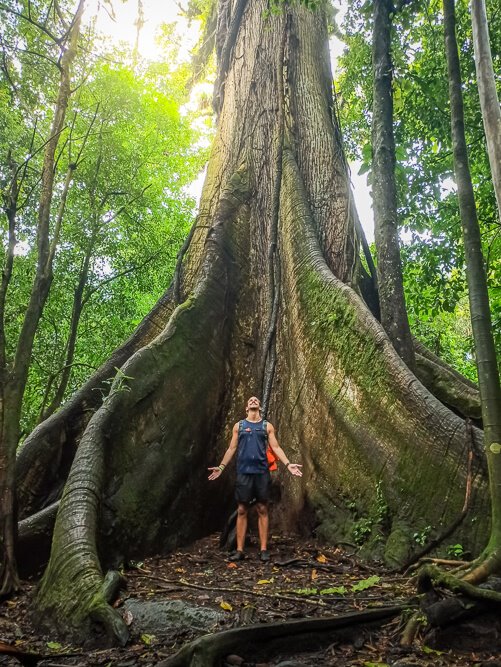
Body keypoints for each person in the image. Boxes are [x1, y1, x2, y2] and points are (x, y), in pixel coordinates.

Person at [208, 396, 302, 562]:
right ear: (246, 408)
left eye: (255, 400)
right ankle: (239, 550)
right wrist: (221, 467)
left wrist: (288, 465)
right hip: (244, 473)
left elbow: (276, 447)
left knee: (262, 509)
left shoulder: (266, 426)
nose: (253, 400)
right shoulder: (239, 426)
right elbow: (231, 448)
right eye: (250, 400)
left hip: (261, 473)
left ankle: (264, 549)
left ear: (259, 407)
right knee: (242, 509)